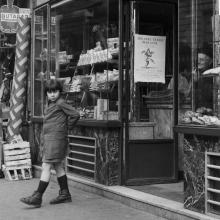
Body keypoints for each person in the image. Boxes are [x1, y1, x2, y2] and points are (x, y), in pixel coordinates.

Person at [20, 78, 80, 208]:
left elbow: (75, 114)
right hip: (51, 140)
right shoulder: (51, 104)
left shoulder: (60, 103)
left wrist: (65, 127)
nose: (52, 94)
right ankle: (65, 194)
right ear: (46, 93)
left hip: (56, 140)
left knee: (46, 165)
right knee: (58, 166)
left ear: (59, 92)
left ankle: (37, 196)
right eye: (49, 92)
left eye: (55, 91)